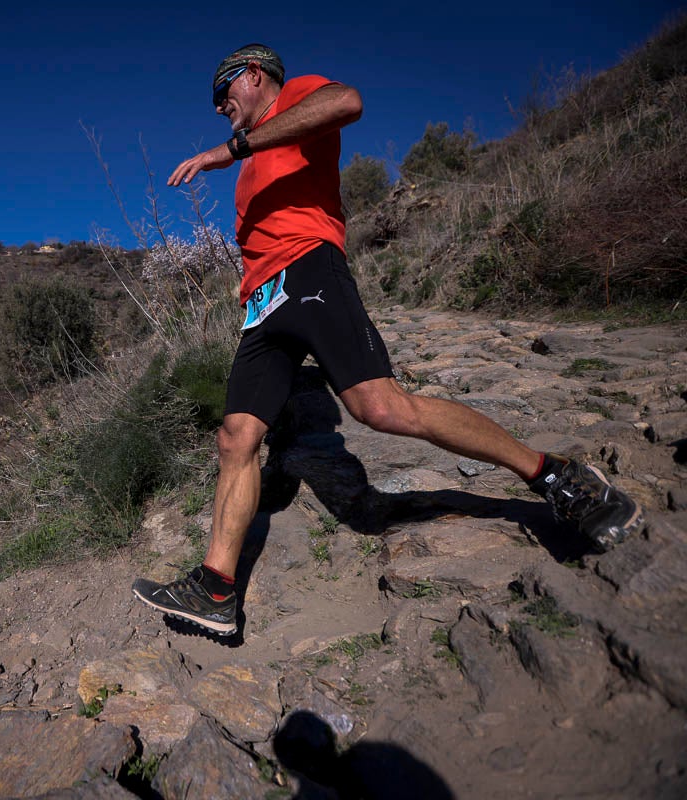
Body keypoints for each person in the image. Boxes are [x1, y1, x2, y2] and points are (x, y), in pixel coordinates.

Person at [131, 43, 645, 638]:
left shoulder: (294, 100)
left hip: (310, 273)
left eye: (224, 94)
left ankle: (556, 476)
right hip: (262, 304)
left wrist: (235, 147)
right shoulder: (252, 162)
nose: (220, 108)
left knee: (380, 408)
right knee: (236, 437)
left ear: (252, 76)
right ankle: (217, 588)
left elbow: (347, 101)